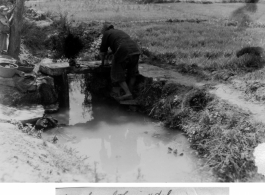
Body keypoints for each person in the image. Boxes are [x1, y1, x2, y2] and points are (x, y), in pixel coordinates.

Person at [99, 22, 141, 101]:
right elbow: (121, 43)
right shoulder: (119, 32)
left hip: (124, 51)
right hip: (136, 50)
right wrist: (112, 52)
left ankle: (128, 93)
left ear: (104, 29)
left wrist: (102, 63)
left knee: (116, 73)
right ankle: (130, 94)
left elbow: (103, 52)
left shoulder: (106, 33)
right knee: (132, 73)